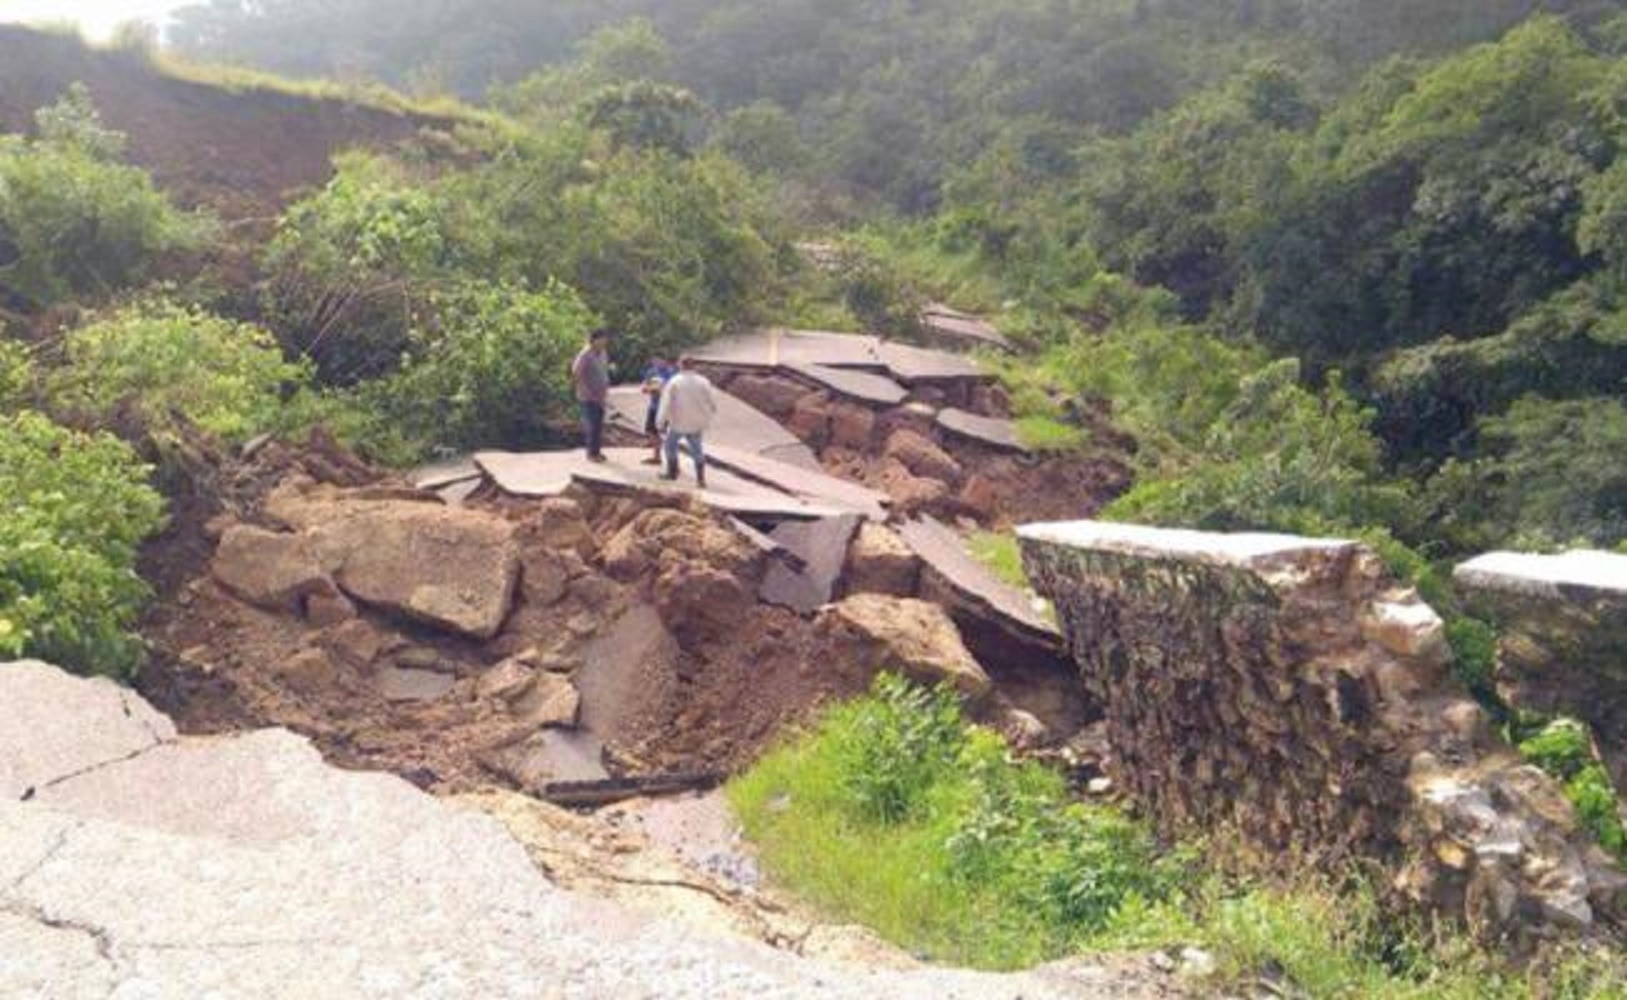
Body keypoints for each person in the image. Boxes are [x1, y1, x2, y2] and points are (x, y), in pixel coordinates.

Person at [655, 357, 718, 488]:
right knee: (697, 450)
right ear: (694, 366)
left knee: (669, 446)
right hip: (696, 422)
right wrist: (710, 413)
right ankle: (701, 479)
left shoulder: (675, 381)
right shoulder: (703, 381)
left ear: (681, 366)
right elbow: (712, 402)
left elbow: (665, 403)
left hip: (678, 421)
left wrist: (660, 422)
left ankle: (672, 472)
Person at [571, 328, 612, 462]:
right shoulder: (585, 354)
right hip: (588, 396)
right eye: (602, 339)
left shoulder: (603, 353)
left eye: (605, 339)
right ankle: (591, 454)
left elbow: (604, 371)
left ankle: (596, 452)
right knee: (592, 424)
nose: (604, 341)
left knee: (599, 424)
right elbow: (576, 373)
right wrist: (586, 390)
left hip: (600, 396)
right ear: (594, 340)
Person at [639, 355, 677, 465]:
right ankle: (656, 456)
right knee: (651, 431)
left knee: (666, 434)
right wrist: (650, 389)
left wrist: (664, 389)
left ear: (665, 360)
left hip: (667, 408)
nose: (656, 362)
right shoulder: (651, 372)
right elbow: (644, 387)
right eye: (654, 360)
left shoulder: (672, 372)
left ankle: (672, 460)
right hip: (654, 406)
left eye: (659, 359)